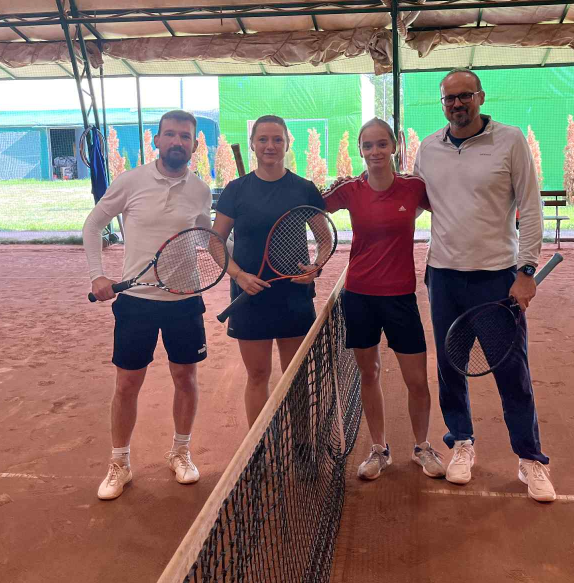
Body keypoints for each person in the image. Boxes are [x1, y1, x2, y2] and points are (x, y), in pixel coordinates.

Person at [414, 69, 556, 502]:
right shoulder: (428, 148)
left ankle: (530, 459)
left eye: (465, 95)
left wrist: (526, 271)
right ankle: (461, 443)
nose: (457, 104)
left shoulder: (510, 141)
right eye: (449, 98)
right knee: (450, 367)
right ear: (442, 104)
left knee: (513, 373)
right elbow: (412, 201)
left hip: (497, 278)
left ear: (480, 97)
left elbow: (530, 207)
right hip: (443, 276)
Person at [84, 110, 213, 500]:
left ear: (194, 144)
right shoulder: (131, 181)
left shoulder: (201, 190)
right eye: (170, 135)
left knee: (185, 379)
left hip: (184, 300)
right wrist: (98, 275)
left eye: (185, 136)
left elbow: (204, 239)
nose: (177, 142)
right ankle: (119, 463)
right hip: (136, 303)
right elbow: (93, 224)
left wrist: (236, 250)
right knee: (127, 384)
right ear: (156, 140)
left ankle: (180, 452)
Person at [322, 119, 445, 480]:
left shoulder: (414, 188)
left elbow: (452, 207)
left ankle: (422, 447)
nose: (374, 151)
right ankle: (379, 450)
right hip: (359, 296)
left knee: (417, 380)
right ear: (360, 150)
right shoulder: (349, 190)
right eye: (367, 145)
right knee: (369, 372)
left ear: (394, 147)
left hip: (400, 298)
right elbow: (310, 207)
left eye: (381, 144)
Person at [212, 115, 327, 427]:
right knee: (258, 375)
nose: (270, 145)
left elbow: (325, 239)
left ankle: (301, 443)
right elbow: (215, 243)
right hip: (249, 297)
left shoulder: (304, 189)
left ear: (287, 144)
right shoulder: (235, 190)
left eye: (277, 139)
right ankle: (259, 448)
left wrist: (315, 267)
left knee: (296, 376)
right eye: (263, 139)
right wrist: (239, 275)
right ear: (252, 144)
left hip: (294, 295)